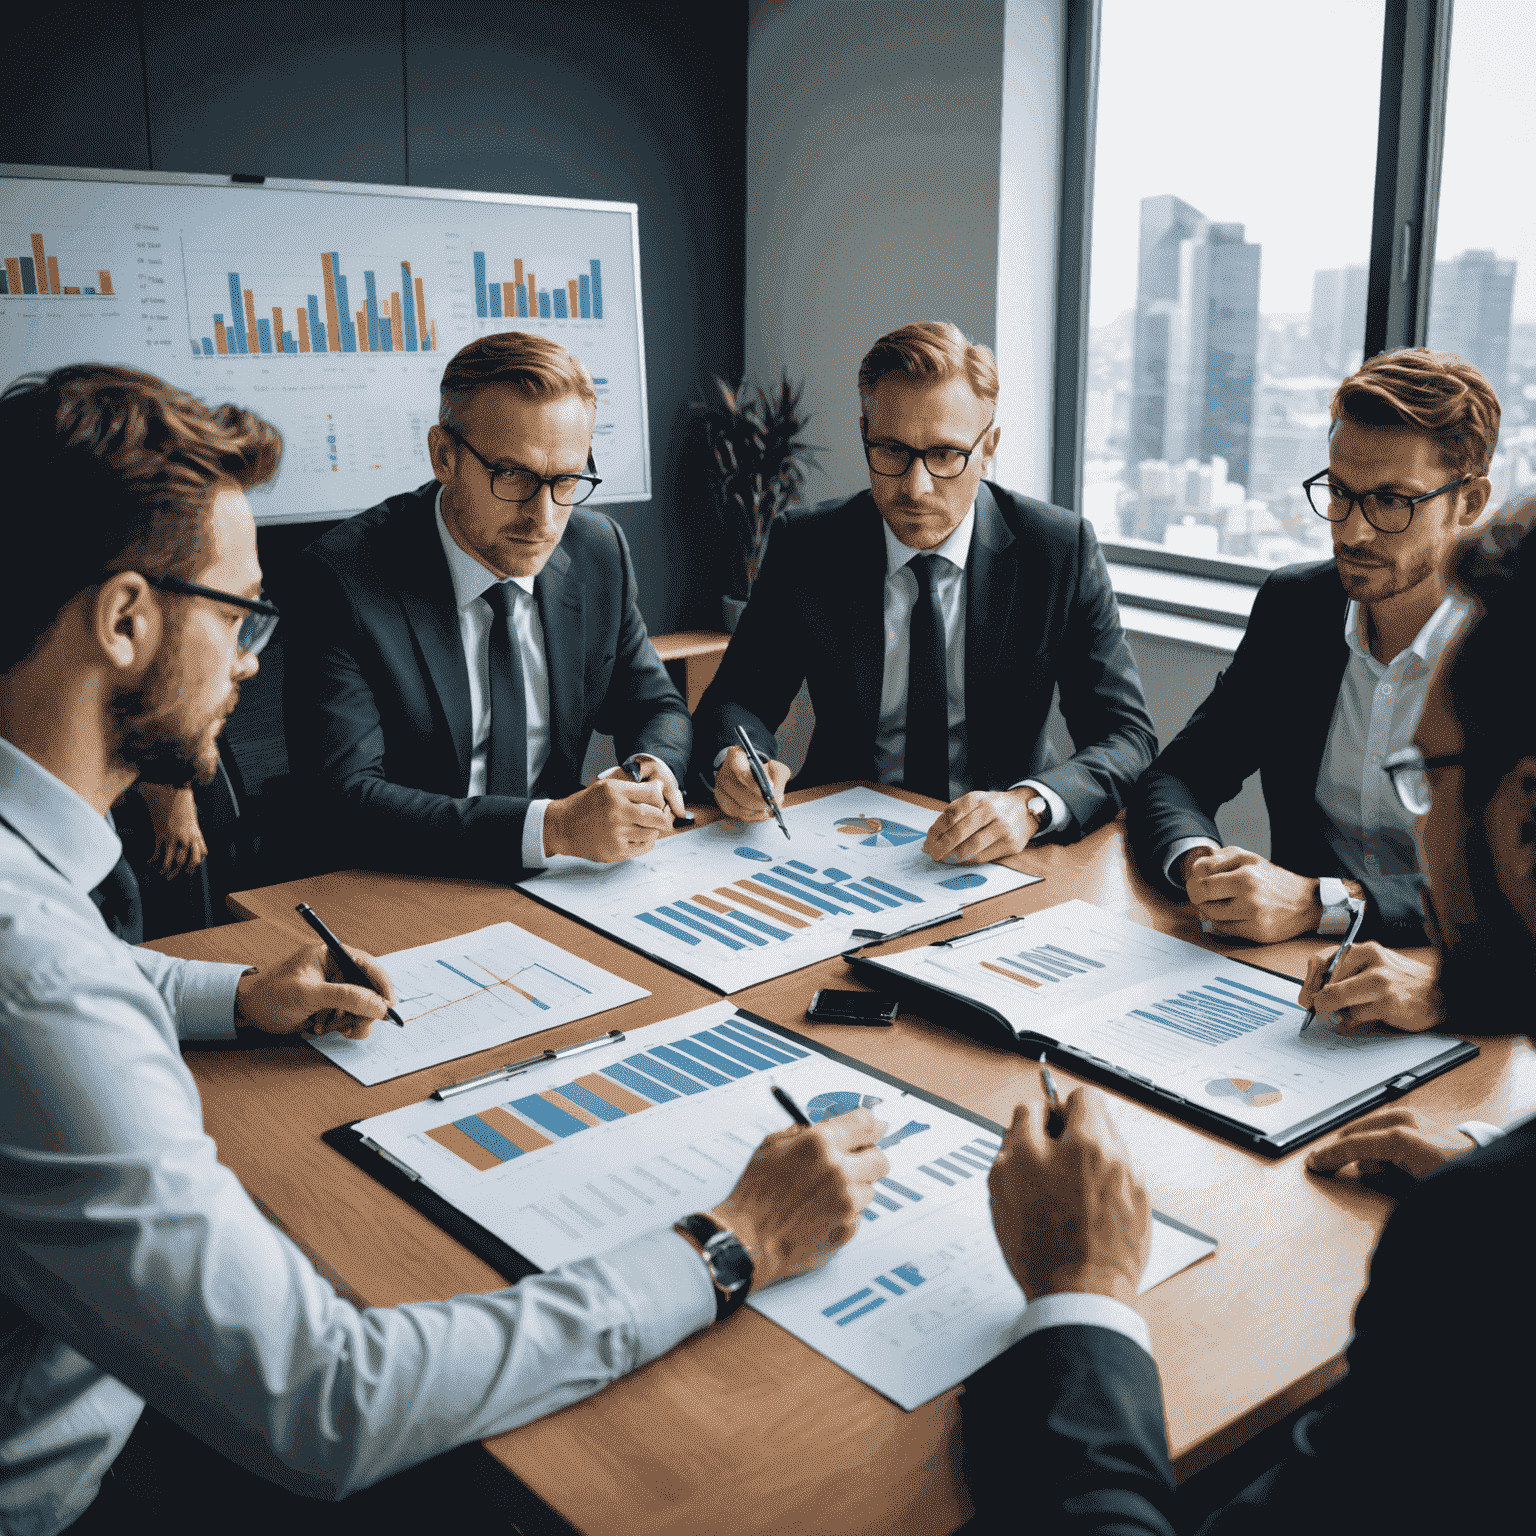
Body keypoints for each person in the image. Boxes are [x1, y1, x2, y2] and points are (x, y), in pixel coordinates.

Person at [0, 364, 891, 1536]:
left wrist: (237, 995)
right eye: (235, 613)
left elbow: (79, 975)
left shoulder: (44, 913)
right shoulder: (40, 977)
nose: (251, 659)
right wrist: (729, 1245)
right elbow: (331, 1404)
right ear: (125, 620)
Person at [961, 496, 1536, 1534]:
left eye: (1429, 779)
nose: (1355, 527)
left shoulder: (1481, 1247)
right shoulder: (1495, 1208)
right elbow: (1177, 769)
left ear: (1529, 820)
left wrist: (1083, 1292)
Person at [1127, 349, 1499, 1034]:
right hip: (1294, 986)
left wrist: (1323, 901)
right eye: (1338, 491)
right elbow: (1177, 777)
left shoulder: (1511, 650)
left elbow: (1510, 887)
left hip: (1460, 997)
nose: (1352, 530)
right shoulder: (1297, 606)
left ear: (1469, 503)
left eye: (1391, 501)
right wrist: (1202, 867)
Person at [690, 321, 1157, 864]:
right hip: (843, 841)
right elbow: (739, 699)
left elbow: (1126, 737)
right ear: (864, 431)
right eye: (890, 450)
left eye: (945, 455)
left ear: (989, 449)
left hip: (1006, 852)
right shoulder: (807, 545)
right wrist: (734, 760)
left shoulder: (1056, 551)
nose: (916, 488)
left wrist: (1028, 807)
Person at [283, 331, 691, 881]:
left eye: (567, 480)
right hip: (404, 883)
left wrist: (650, 770)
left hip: (560, 885)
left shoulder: (598, 552)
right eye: (514, 477)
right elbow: (345, 798)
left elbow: (655, 707)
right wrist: (553, 828)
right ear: (443, 457)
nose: (544, 518)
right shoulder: (341, 578)